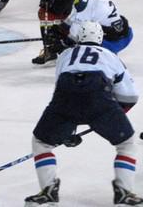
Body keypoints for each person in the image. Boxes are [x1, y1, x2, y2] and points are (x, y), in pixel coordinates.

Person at [24, 21, 142, 206]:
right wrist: (111, 116)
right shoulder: (110, 56)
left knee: (42, 143)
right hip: (99, 99)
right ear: (100, 38)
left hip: (65, 99)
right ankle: (124, 194)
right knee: (126, 143)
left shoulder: (65, 55)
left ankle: (48, 194)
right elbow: (130, 96)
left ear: (78, 37)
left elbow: (65, 92)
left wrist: (68, 131)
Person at [51, 0, 133, 54]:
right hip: (126, 35)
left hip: (112, 43)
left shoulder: (84, 1)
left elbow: (75, 32)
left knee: (83, 39)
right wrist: (63, 26)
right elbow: (75, 19)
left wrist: (63, 44)